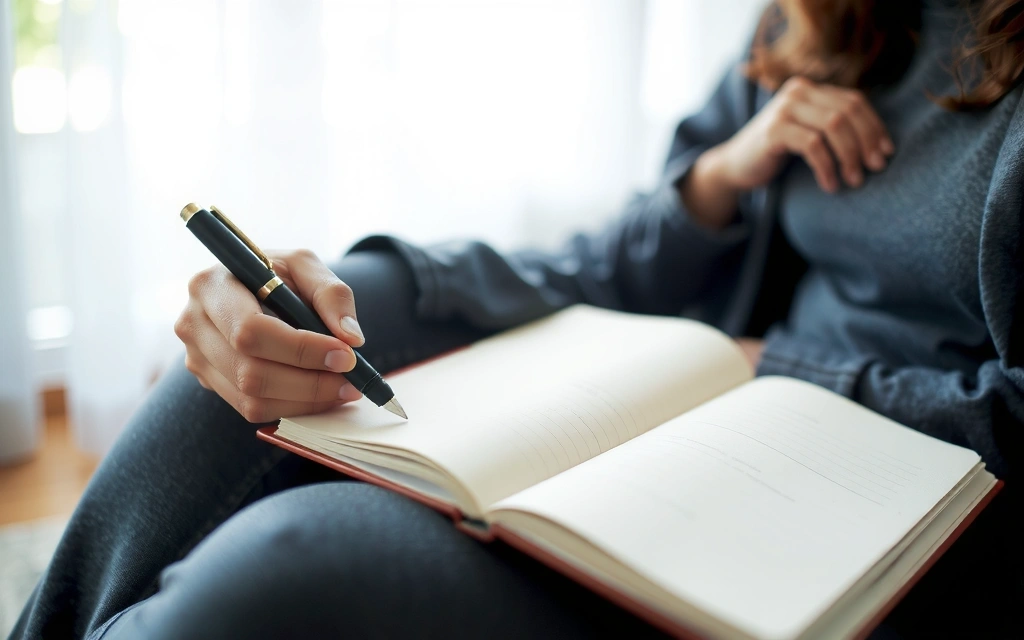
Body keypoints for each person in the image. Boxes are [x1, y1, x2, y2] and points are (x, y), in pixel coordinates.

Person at [12, 0, 1023, 638]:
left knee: (291, 567)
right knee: (247, 387)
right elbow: (606, 264)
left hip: (888, 497)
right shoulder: (826, 18)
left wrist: (779, 365)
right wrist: (715, 181)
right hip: (733, 385)